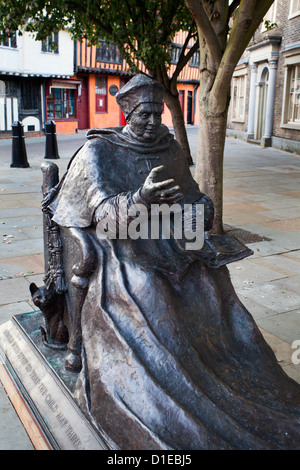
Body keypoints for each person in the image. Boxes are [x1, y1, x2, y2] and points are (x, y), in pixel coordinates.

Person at [49, 74, 300, 450]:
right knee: (149, 289)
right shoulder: (99, 151)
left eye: (158, 114)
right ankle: (174, 394)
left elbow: (195, 198)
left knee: (212, 281)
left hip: (171, 242)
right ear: (128, 115)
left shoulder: (169, 147)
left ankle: (229, 375)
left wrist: (198, 209)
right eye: (144, 116)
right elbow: (100, 216)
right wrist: (142, 199)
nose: (153, 123)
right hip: (122, 248)